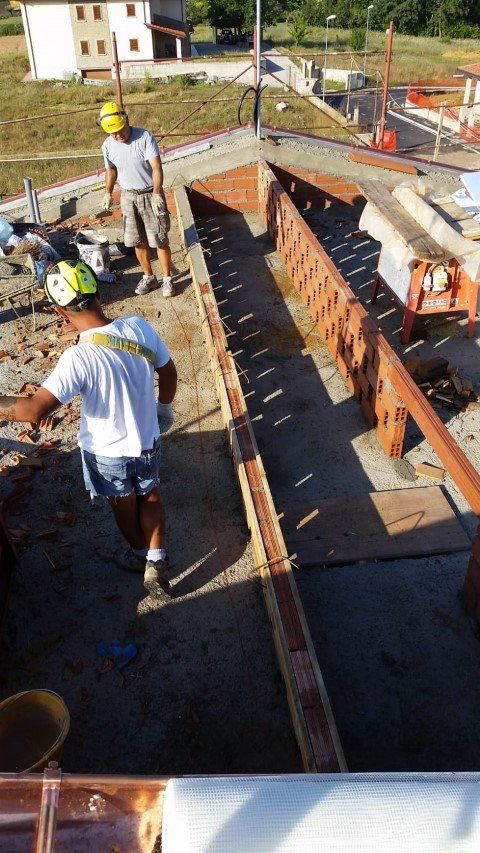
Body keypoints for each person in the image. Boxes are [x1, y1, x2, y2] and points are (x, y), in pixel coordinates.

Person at [0, 260, 177, 598]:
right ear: (97, 290)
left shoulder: (79, 358)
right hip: (147, 441)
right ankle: (157, 558)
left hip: (108, 454)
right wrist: (163, 408)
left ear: (58, 310)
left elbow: (35, 410)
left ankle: (138, 554)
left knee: (123, 505)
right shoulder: (139, 327)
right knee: (151, 495)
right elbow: (168, 374)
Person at [99, 101, 173, 298]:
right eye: (113, 132)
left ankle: (167, 279)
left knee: (160, 239)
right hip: (128, 196)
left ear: (127, 121)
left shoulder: (144, 137)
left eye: (120, 130)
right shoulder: (107, 146)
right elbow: (111, 170)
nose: (118, 135)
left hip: (150, 194)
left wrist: (157, 193)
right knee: (138, 241)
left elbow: (156, 167)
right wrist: (107, 192)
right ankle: (149, 276)